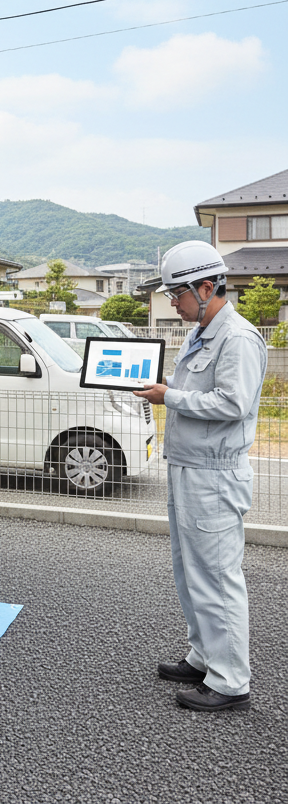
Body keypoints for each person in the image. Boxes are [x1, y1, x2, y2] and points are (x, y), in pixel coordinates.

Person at [134, 241, 267, 712]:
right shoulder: (201, 332)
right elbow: (194, 388)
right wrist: (164, 389)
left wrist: (168, 397)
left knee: (216, 577)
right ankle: (205, 657)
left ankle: (230, 683)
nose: (174, 303)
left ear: (206, 288)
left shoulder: (239, 338)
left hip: (214, 475)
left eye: (177, 294)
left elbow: (233, 403)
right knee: (190, 572)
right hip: (189, 468)